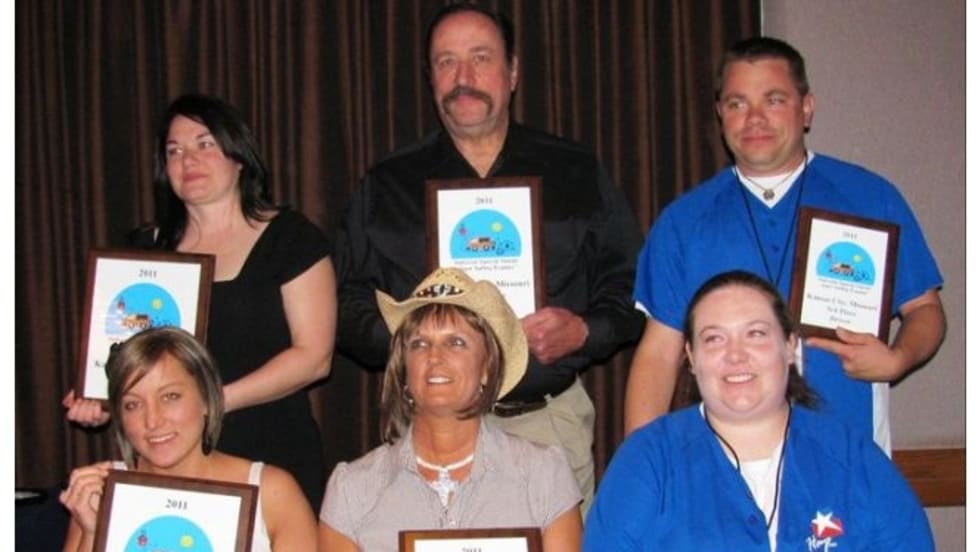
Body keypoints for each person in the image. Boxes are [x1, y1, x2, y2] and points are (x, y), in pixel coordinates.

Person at [333, 2, 644, 510]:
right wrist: (412, 339)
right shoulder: (387, 184)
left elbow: (631, 285)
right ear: (430, 77)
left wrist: (584, 331)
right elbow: (344, 303)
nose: (464, 78)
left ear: (513, 71)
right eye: (447, 62)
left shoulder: (574, 170)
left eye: (481, 58)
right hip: (427, 433)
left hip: (546, 424)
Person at [624, 37, 945, 452]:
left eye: (773, 100)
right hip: (723, 460)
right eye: (737, 103)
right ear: (720, 114)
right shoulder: (683, 222)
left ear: (806, 107)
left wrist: (898, 359)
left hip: (849, 449)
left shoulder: (869, 197)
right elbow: (658, 356)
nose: (754, 118)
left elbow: (925, 311)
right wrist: (640, 465)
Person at [63, 93, 337, 509]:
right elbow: (126, 355)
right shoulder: (144, 249)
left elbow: (314, 358)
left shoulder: (291, 238)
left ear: (239, 156)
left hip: (270, 448)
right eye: (174, 151)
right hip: (167, 456)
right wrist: (102, 395)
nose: (188, 159)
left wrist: (213, 401)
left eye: (204, 143)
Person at [586, 270, 933, 550]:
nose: (735, 355)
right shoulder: (647, 461)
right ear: (691, 357)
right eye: (714, 338)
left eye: (755, 334)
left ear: (790, 346)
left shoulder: (853, 458)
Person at [319, 267, 582, 551]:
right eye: (419, 344)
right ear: (404, 369)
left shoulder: (544, 473)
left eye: (456, 343)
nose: (435, 356)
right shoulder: (352, 489)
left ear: (487, 367)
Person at [60, 327, 318, 551]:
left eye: (170, 397)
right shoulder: (100, 492)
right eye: (133, 404)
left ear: (206, 398)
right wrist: (93, 533)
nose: (152, 420)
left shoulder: (272, 492)